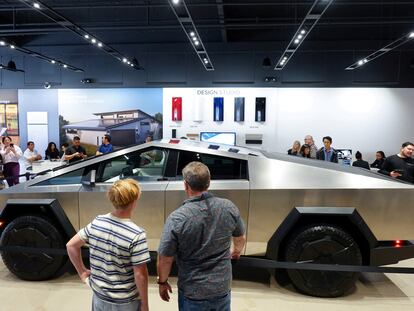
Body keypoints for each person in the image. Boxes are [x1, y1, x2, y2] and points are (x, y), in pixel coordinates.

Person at [157, 161, 246, 311]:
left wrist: (162, 282)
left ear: (186, 185)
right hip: (222, 287)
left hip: (193, 291)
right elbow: (240, 237)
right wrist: (236, 252)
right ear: (209, 183)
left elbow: (165, 259)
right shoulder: (228, 207)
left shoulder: (177, 218)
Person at [66, 179, 150, 311]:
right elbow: (140, 274)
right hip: (125, 301)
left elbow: (71, 246)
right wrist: (145, 304)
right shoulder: (136, 234)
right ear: (134, 202)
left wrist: (82, 272)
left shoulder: (97, 222)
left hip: (99, 297)